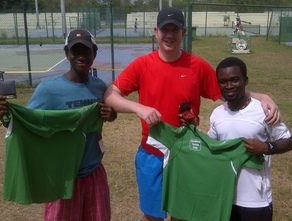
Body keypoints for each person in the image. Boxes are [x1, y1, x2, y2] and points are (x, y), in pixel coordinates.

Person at [104, 7, 280, 221]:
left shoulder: (196, 66)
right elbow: (110, 95)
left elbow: (228, 91)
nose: (169, 35)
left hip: (187, 157)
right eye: (164, 30)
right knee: (152, 216)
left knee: (184, 213)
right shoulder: (143, 64)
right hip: (152, 154)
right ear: (156, 32)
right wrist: (139, 108)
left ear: (183, 32)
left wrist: (262, 96)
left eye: (174, 30)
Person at [0, 29, 116, 221]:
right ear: (67, 53)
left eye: (87, 51)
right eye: (76, 51)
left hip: (94, 173)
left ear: (95, 54)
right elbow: (29, 125)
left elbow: (106, 115)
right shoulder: (48, 90)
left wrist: (112, 115)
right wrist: (6, 117)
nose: (81, 56)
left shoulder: (99, 87)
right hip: (62, 177)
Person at [207, 56, 291, 221]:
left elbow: (288, 139)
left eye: (235, 80)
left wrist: (267, 147)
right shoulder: (217, 114)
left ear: (245, 81)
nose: (229, 86)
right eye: (223, 82)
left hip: (256, 201)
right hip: (224, 197)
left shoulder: (263, 111)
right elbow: (212, 148)